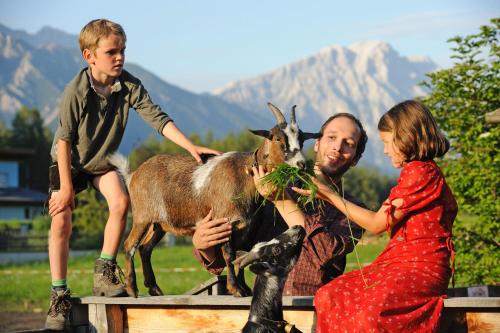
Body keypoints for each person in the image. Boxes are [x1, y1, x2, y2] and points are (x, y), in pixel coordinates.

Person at [45, 19, 219, 331]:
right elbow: (63, 140)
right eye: (112, 52)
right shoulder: (76, 91)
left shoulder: (129, 85)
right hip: (68, 162)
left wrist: (190, 146)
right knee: (61, 219)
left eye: (123, 50)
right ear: (89, 56)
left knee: (122, 201)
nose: (120, 57)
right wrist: (66, 189)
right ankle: (58, 295)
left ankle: (105, 270)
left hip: (101, 162)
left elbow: (158, 119)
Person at [290, 100, 457, 332]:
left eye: (387, 143)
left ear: (406, 137)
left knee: (372, 311)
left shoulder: (421, 171)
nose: (386, 150)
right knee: (330, 294)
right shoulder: (416, 172)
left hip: (419, 266)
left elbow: (378, 224)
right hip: (398, 264)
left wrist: (329, 195)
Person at [192, 112, 368, 296]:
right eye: (331, 137)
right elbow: (235, 251)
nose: (337, 147)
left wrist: (280, 200)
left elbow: (322, 252)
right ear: (316, 143)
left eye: (349, 144)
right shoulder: (272, 187)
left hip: (313, 311)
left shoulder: (354, 210)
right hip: (262, 307)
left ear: (355, 158)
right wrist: (204, 246)